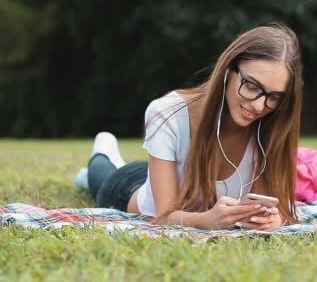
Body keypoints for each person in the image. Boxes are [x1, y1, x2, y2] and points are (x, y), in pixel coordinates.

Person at [73, 23, 303, 231]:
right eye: (252, 86)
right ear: (228, 70)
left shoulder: (271, 125)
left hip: (162, 173)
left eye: (274, 96)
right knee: (101, 174)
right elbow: (163, 217)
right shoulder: (168, 112)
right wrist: (206, 221)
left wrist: (273, 220)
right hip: (127, 189)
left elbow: (279, 208)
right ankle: (102, 148)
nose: (259, 105)